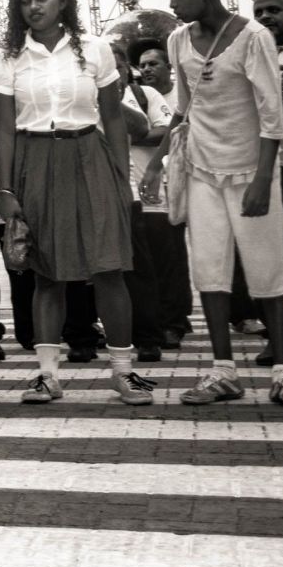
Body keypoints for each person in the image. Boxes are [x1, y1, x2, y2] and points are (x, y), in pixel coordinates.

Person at [0, 0, 155, 405]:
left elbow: (114, 116)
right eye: (26, 1)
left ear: (63, 0)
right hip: (34, 160)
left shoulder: (95, 49)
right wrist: (6, 191)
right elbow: (5, 130)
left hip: (90, 155)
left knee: (109, 268)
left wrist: (124, 179)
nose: (34, 7)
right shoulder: (8, 57)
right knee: (47, 275)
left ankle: (124, 372)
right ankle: (47, 376)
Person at [141, 0, 283, 408]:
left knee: (269, 270)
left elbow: (272, 117)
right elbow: (185, 110)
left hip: (251, 171)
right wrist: (157, 162)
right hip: (203, 172)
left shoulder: (253, 38)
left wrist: (263, 180)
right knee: (209, 269)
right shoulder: (177, 40)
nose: (173, 2)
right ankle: (223, 372)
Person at [128, 35, 192, 347]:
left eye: (153, 63)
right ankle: (147, 325)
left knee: (167, 263)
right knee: (139, 268)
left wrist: (126, 136)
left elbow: (166, 131)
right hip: (123, 197)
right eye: (142, 65)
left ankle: (173, 323)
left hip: (155, 194)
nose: (147, 69)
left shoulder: (147, 94)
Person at [113, 44, 172, 363]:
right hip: (90, 189)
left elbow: (153, 130)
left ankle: (149, 336)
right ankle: (87, 335)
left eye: (116, 66)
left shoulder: (139, 95)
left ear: (125, 70)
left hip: (131, 191)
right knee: (94, 270)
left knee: (140, 267)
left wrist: (107, 96)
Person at [252, 0, 283, 365]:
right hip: (266, 171)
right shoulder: (254, 52)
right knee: (270, 259)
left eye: (274, 10)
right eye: (259, 11)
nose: (266, 16)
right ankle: (279, 340)